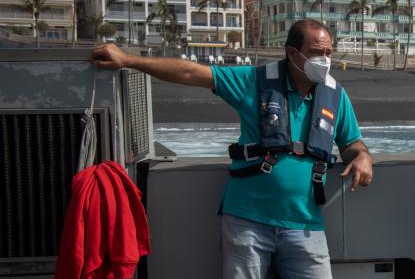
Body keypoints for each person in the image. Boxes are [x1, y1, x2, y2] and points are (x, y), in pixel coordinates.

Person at [91, 19, 373, 279]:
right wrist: (128, 59)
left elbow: (352, 143)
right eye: (315, 52)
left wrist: (362, 156)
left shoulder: (334, 95)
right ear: (292, 53)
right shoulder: (255, 81)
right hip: (248, 222)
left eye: (328, 53)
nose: (323, 60)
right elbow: (192, 73)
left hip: (306, 224)